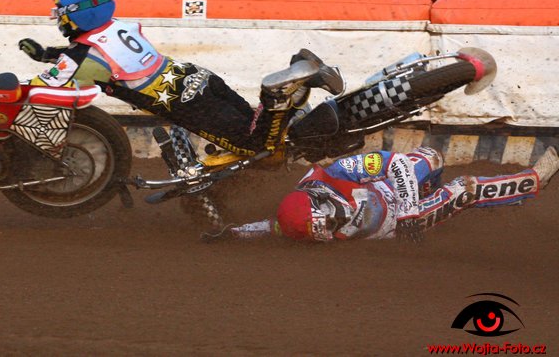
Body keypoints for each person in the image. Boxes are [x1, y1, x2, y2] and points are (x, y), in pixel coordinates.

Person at [16, 0, 345, 168]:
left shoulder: (85, 56)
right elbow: (88, 58)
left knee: (255, 148)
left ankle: (278, 92)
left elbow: (46, 85)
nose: (56, 16)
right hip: (198, 78)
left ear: (77, 14)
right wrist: (48, 54)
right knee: (253, 126)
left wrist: (14, 88)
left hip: (186, 104)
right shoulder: (115, 27)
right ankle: (300, 82)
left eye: (59, 10)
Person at [202, 145, 559, 243]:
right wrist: (235, 233)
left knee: (431, 157)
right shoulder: (296, 225)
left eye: (329, 221)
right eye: (325, 231)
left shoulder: (335, 172)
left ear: (321, 198)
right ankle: (533, 181)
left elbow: (397, 163)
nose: (332, 228)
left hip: (398, 203)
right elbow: (269, 226)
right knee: (463, 190)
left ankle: (432, 199)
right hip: (393, 225)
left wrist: (408, 209)